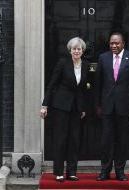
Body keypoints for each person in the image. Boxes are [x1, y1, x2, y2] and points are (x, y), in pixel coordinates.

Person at [39, 37, 89, 182]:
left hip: (77, 107)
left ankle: (72, 172)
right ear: (70, 50)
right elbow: (52, 84)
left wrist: (83, 107)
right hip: (61, 105)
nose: (77, 51)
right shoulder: (63, 63)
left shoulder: (85, 65)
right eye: (74, 49)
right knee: (61, 139)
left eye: (79, 49)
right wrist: (44, 105)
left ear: (82, 50)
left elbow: (83, 89)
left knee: (74, 139)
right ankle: (59, 172)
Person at [95, 32, 129, 181]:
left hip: (125, 107)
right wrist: (98, 105)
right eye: (112, 43)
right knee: (106, 140)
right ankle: (105, 171)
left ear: (123, 43)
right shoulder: (103, 58)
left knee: (122, 140)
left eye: (117, 43)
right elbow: (98, 84)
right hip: (107, 107)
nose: (114, 46)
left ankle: (120, 172)